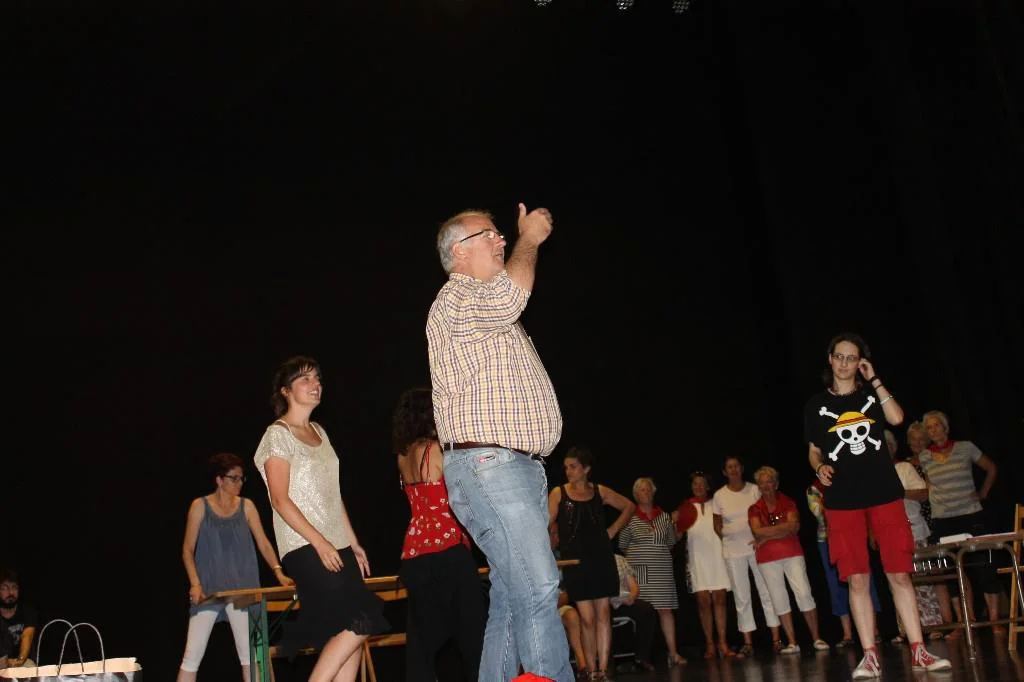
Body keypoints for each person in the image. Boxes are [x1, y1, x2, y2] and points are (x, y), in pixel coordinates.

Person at [426, 204, 571, 682]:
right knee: (540, 586)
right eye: (489, 235)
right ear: (459, 252)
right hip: (492, 465)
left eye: (502, 235)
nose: (502, 240)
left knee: (513, 596)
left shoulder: (484, 311)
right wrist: (530, 238)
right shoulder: (458, 298)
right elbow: (512, 294)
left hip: (512, 468)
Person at [806, 332, 949, 677]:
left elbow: (897, 419)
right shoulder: (815, 405)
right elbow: (813, 451)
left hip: (884, 494)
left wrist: (875, 380)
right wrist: (819, 467)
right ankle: (869, 655)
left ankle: (919, 650)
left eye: (851, 358)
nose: (844, 363)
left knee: (899, 573)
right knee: (856, 579)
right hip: (842, 500)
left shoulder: (871, 394)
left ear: (861, 362)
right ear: (830, 359)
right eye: (839, 356)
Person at [253, 356, 388, 682]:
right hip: (305, 545)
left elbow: (333, 494)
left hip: (336, 543)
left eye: (317, 378)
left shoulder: (320, 433)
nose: (315, 385)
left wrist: (352, 542)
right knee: (363, 619)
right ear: (286, 390)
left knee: (351, 628)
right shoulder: (277, 435)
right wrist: (320, 542)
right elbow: (280, 500)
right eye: (305, 379)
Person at [392, 386, 486, 682]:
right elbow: (462, 496)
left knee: (421, 645)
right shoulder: (436, 450)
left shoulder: (403, 455)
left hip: (414, 553)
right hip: (447, 549)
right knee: (473, 635)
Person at [178, 452, 295, 681]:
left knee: (250, 657)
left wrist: (278, 572)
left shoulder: (247, 506)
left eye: (242, 478)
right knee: (191, 656)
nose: (239, 483)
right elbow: (187, 549)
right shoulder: (200, 506)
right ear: (219, 480)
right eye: (234, 478)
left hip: (244, 592)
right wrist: (195, 583)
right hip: (209, 590)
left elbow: (263, 543)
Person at [548, 446, 635, 680]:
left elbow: (629, 506)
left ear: (586, 469)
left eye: (573, 467)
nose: (568, 471)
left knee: (603, 613)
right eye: (566, 467)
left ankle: (602, 670)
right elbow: (546, 522)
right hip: (575, 561)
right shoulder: (558, 493)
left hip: (601, 558)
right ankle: (591, 668)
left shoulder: (599, 491)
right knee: (586, 618)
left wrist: (612, 530)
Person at [918, 409, 1002, 635]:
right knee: (953, 571)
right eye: (929, 427)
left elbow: (991, 468)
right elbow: (927, 485)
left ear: (945, 427)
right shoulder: (924, 457)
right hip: (943, 519)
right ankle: (965, 621)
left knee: (984, 565)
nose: (933, 430)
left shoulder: (965, 447)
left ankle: (994, 620)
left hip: (970, 514)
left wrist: (983, 492)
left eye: (936, 425)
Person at [748, 466, 829, 654]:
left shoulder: (788, 502)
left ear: (776, 484)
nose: (766, 486)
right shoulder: (754, 508)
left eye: (769, 482)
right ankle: (792, 643)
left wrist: (767, 536)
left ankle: (816, 638)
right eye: (762, 483)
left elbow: (794, 527)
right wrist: (777, 531)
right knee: (779, 599)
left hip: (792, 554)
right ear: (758, 486)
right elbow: (757, 531)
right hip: (767, 559)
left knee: (804, 593)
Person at [712, 456, 780, 658]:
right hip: (733, 551)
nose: (733, 470)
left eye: (736, 466)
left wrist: (762, 537)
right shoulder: (719, 495)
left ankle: (776, 639)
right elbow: (717, 524)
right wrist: (728, 537)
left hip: (757, 548)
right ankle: (747, 642)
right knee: (742, 597)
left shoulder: (754, 490)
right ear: (724, 472)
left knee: (767, 592)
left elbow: (766, 513)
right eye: (729, 467)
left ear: (741, 468)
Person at [806, 478, 883, 648]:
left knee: (865, 581)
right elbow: (818, 512)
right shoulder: (814, 488)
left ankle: (874, 630)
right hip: (828, 539)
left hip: (855, 534)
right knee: (837, 585)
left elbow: (863, 506)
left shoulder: (848, 479)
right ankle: (847, 634)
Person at [618, 477, 687, 668]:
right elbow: (622, 545)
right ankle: (642, 657)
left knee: (666, 611)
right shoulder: (630, 517)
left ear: (654, 492)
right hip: (639, 573)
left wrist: (677, 526)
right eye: (642, 490)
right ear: (635, 495)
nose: (646, 492)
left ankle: (673, 654)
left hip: (662, 571)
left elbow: (671, 541)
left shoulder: (664, 516)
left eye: (648, 489)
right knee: (643, 612)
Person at [886, 431, 943, 643]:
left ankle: (933, 625)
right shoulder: (872, 474)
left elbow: (923, 493)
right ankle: (906, 630)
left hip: (914, 531)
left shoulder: (904, 468)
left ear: (892, 448)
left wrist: (898, 492)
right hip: (888, 535)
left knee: (922, 580)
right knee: (896, 582)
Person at [675, 471, 733, 659]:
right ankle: (709, 644)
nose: (698, 487)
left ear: (708, 486)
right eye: (695, 484)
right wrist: (674, 523)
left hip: (718, 556)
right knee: (703, 602)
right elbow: (677, 536)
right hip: (697, 559)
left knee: (720, 599)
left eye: (702, 483)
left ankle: (723, 642)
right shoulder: (685, 507)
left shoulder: (717, 503)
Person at [609, 553, 657, 673]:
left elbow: (633, 585)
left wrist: (632, 596)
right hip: (603, 602)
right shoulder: (590, 561)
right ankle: (607, 662)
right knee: (602, 615)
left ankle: (642, 657)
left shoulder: (619, 559)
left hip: (623, 600)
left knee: (646, 609)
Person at [0, 570, 36, 669]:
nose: (11, 592)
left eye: (14, 587)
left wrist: (20, 660)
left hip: (22, 661)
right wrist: (5, 662)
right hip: (1, 661)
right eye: (5, 588)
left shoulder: (27, 612)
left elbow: (27, 635)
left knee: (29, 666)